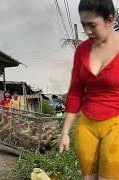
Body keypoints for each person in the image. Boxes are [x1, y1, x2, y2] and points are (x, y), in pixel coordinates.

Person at [59, 0, 119, 179]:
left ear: (109, 20)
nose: (87, 31)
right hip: (87, 125)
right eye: (84, 24)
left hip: (115, 124)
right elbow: (76, 92)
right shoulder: (82, 50)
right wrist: (65, 133)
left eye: (92, 25)